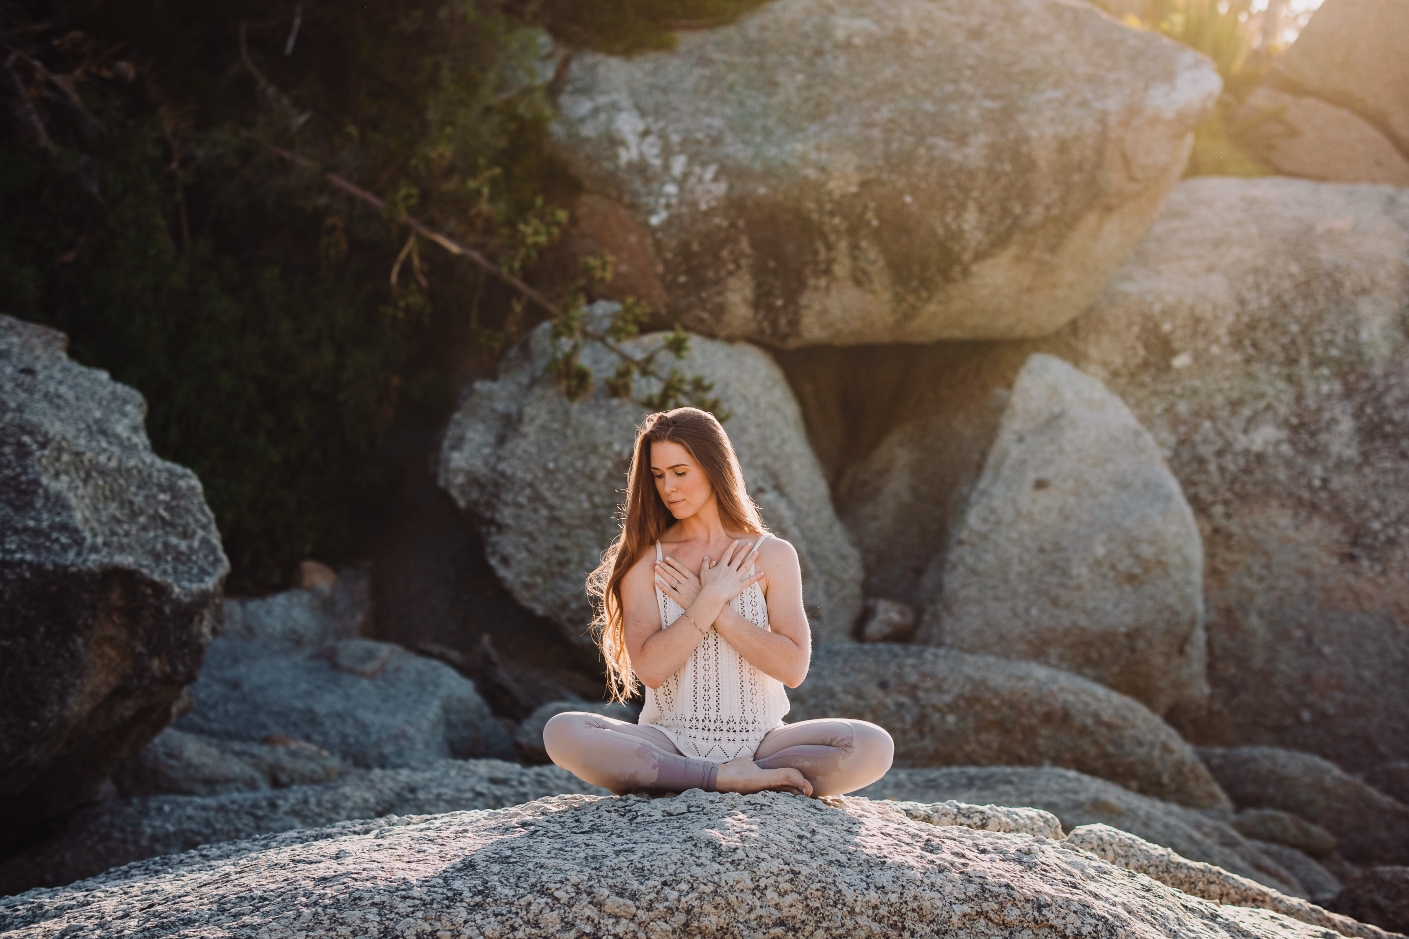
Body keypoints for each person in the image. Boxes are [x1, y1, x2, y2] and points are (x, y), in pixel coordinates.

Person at [543, 407, 894, 797]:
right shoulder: (645, 560)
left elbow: (793, 668)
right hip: (669, 742)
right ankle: (721, 779)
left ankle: (745, 773)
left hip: (763, 744)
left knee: (873, 745)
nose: (668, 488)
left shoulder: (772, 555)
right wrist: (707, 599)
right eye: (658, 476)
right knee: (563, 731)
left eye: (680, 472)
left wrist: (718, 608)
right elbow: (653, 670)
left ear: (713, 468)